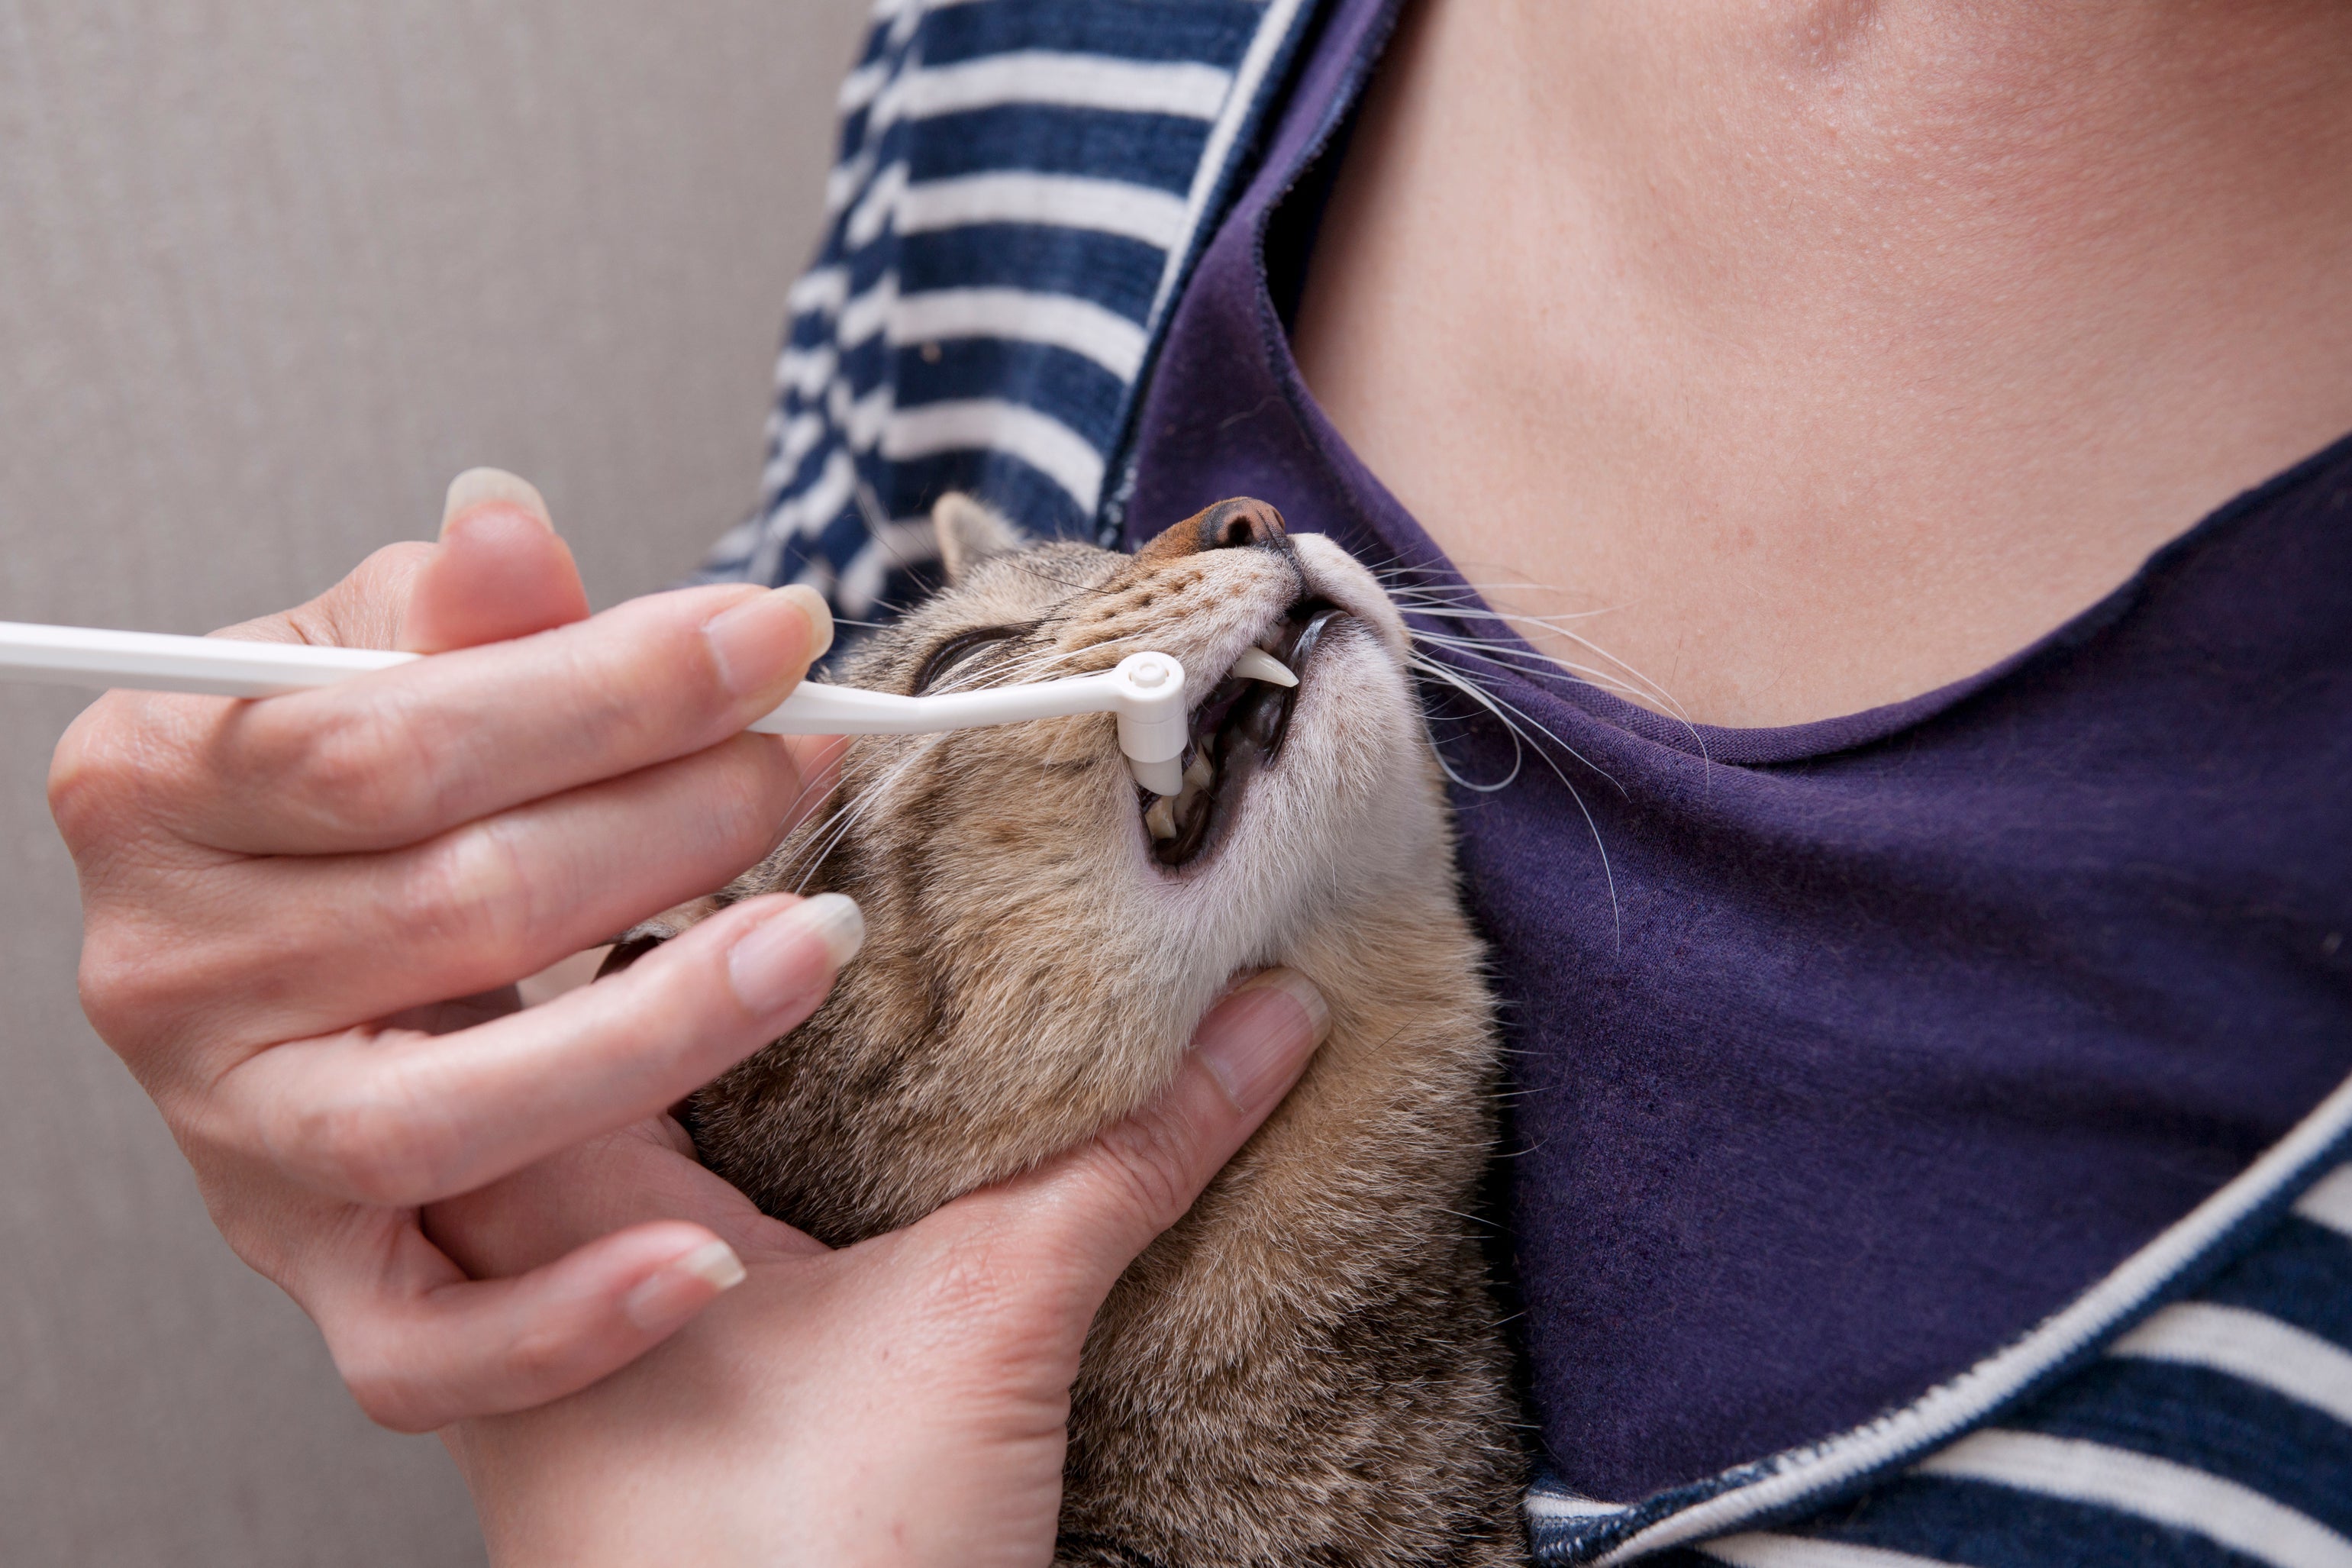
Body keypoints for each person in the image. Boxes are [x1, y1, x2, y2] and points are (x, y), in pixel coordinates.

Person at [52, 2, 2352, 1563]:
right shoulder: (1035, 54)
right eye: (1000, 634)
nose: (1233, 537)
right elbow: (756, 964)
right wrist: (438, 1006)